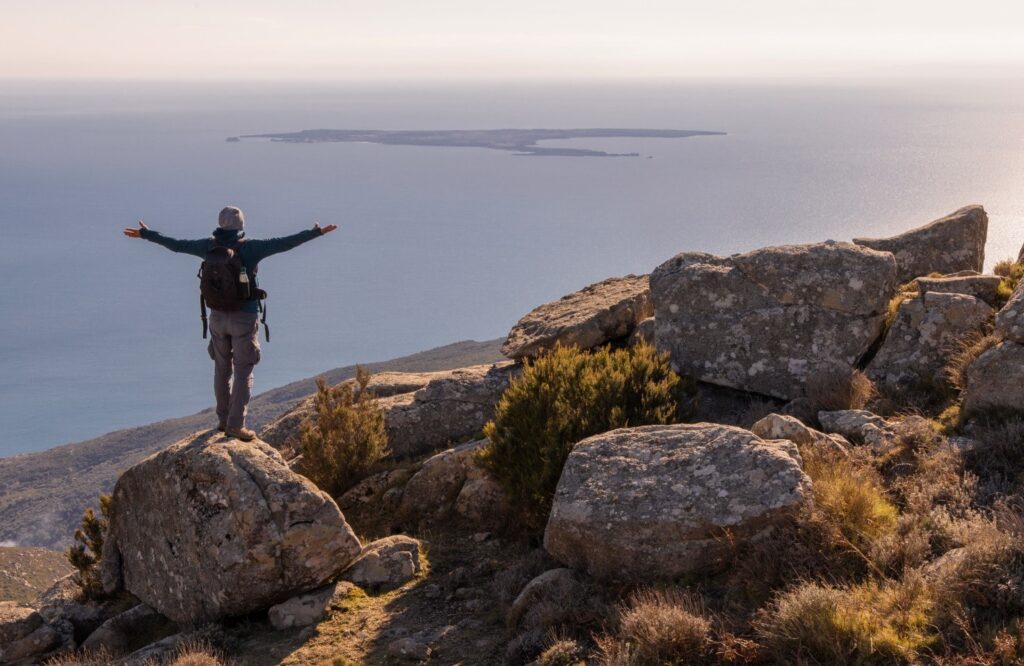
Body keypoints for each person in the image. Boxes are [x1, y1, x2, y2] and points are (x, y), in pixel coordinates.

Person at [123, 206, 337, 441]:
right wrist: (315, 233)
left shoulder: (207, 246)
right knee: (244, 371)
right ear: (241, 226)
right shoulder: (251, 248)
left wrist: (147, 234)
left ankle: (223, 421)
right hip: (244, 318)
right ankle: (236, 425)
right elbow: (284, 243)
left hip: (216, 317)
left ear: (219, 224)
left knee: (221, 370)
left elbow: (176, 245)